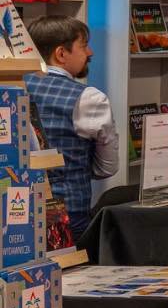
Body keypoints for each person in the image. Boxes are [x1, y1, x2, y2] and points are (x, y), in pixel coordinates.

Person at [22, 16, 118, 240]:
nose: (90, 53)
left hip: (16, 214)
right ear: (61, 54)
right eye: (83, 46)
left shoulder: (12, 87)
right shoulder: (90, 98)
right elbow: (107, 167)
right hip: (68, 221)